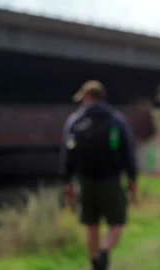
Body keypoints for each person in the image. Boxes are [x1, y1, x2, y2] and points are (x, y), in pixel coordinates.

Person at [60, 80, 138, 270]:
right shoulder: (117, 120)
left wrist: (67, 183)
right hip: (111, 180)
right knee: (117, 223)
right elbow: (128, 151)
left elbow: (68, 155)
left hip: (85, 182)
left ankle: (95, 263)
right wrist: (132, 179)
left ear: (87, 97)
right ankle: (104, 253)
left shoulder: (74, 122)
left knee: (91, 225)